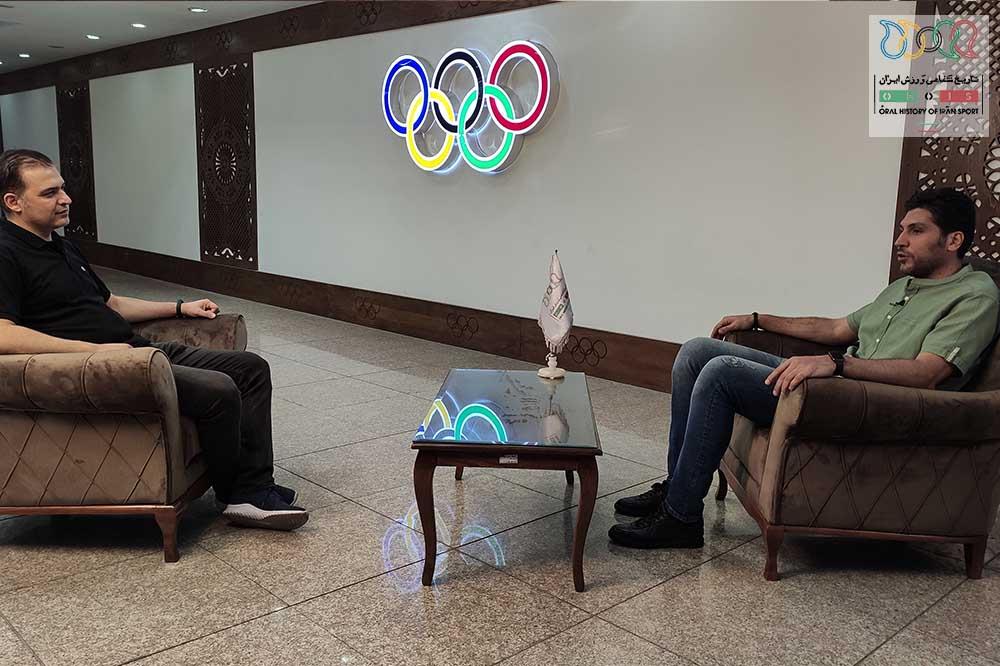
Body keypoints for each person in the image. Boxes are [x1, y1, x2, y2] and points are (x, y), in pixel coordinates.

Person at [609, 187, 1000, 549]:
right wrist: (758, 319)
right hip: (841, 383)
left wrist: (837, 364)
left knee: (721, 372)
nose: (900, 240)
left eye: (916, 231)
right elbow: (835, 328)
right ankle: (676, 487)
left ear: (953, 241)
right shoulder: (905, 286)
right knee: (696, 352)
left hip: (871, 403)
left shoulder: (976, 296)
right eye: (902, 230)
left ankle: (681, 517)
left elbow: (927, 373)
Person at [0, 149, 308, 531]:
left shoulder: (60, 244)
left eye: (62, 188)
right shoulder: (6, 253)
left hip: (138, 352)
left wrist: (180, 307)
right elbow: (4, 333)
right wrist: (96, 352)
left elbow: (110, 303)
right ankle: (240, 495)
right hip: (98, 369)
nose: (66, 199)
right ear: (13, 202)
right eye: (50, 193)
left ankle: (255, 484)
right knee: (219, 390)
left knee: (251, 369)